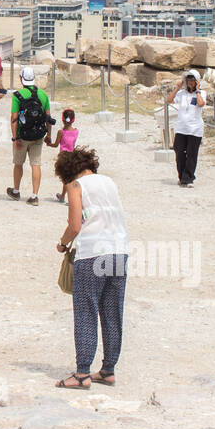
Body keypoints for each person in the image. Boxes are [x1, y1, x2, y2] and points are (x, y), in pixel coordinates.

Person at [54, 147, 128, 390]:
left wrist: (63, 244)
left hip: (92, 254)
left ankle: (82, 373)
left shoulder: (76, 186)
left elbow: (75, 225)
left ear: (67, 172)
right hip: (118, 251)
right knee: (112, 312)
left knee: (86, 311)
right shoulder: (109, 182)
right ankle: (108, 370)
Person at [8, 67, 51, 205]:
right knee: (36, 164)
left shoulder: (17, 95)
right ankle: (34, 195)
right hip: (38, 135)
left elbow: (14, 119)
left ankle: (16, 191)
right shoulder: (43, 95)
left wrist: (15, 138)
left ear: (21, 78)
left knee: (18, 163)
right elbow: (48, 117)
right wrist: (49, 135)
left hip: (22, 136)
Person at [167, 70, 206, 187]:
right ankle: (182, 176)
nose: (190, 82)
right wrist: (177, 88)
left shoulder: (202, 93)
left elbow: (200, 104)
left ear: (196, 81)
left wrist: (198, 90)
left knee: (191, 153)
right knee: (179, 152)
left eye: (192, 80)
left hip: (195, 129)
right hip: (181, 128)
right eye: (188, 80)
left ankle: (188, 178)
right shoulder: (181, 94)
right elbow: (169, 101)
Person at [48, 109, 79, 201]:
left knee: (65, 179)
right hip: (72, 156)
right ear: (73, 119)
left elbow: (56, 145)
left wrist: (49, 144)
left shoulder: (61, 132)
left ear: (62, 119)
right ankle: (62, 196)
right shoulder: (76, 131)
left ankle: (66, 197)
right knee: (70, 177)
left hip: (63, 157)